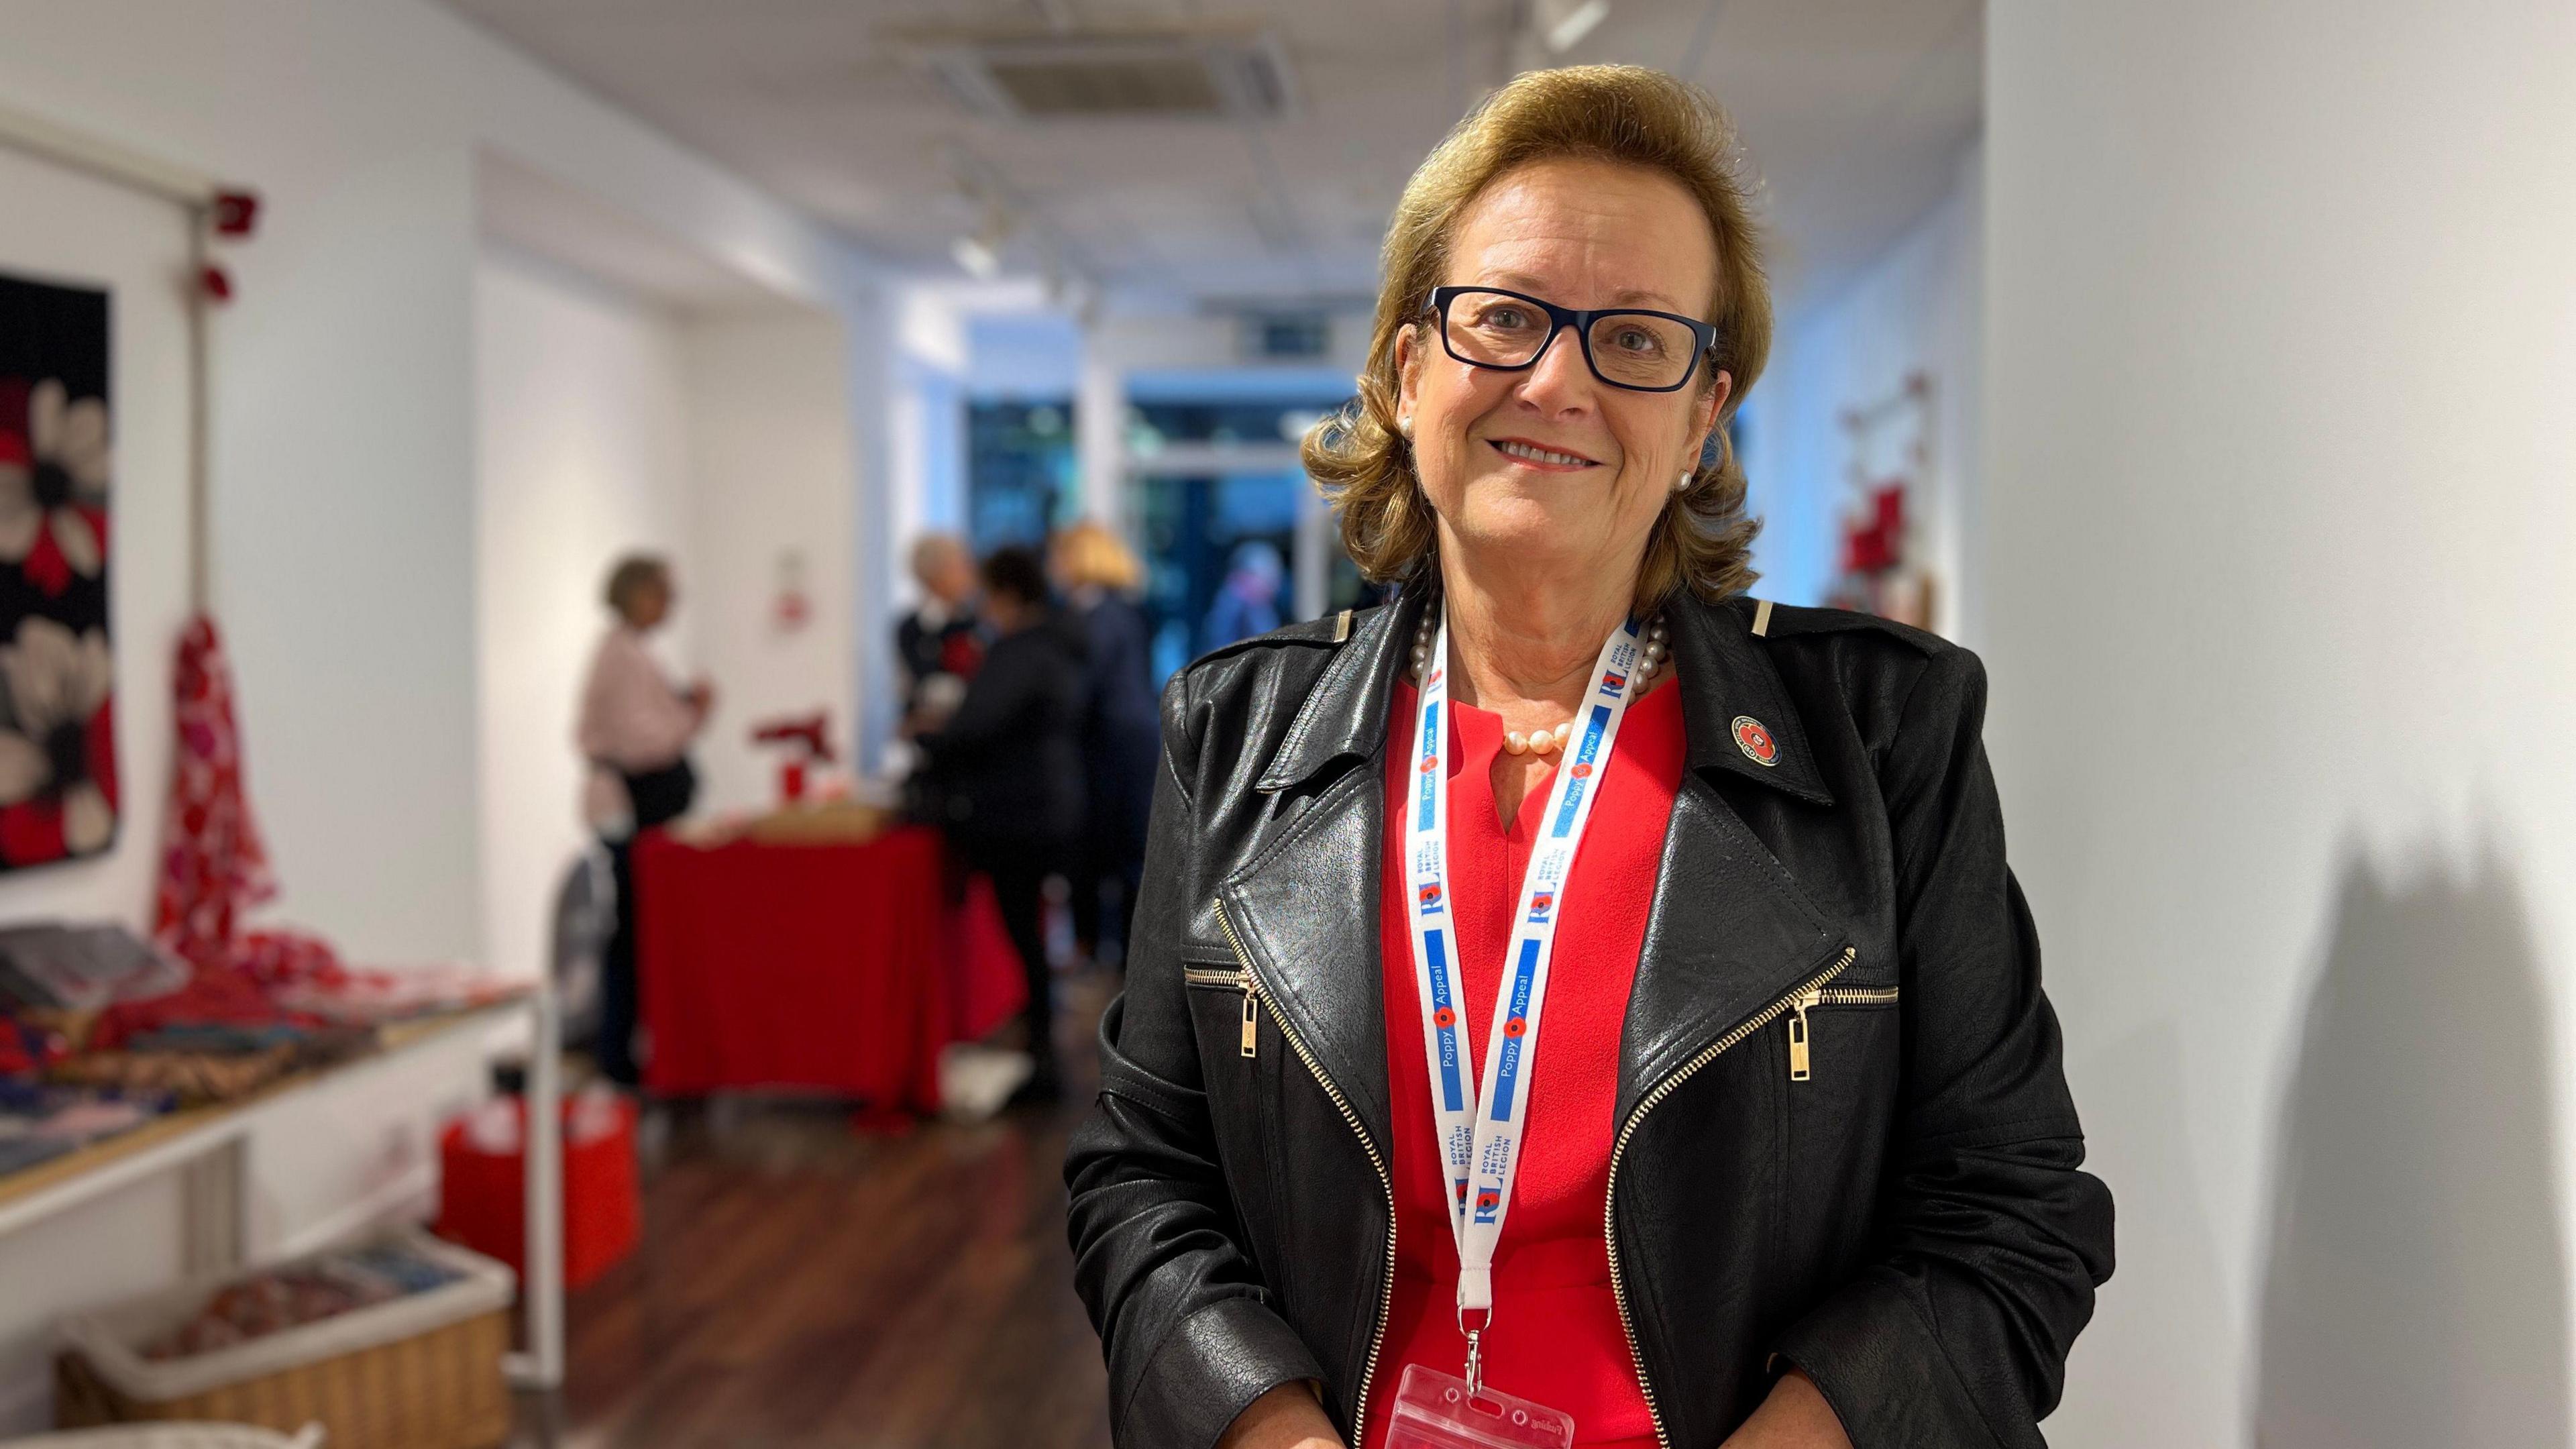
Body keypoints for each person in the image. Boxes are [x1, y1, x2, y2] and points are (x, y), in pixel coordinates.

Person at [1066, 66, 2112, 1449]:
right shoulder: (1236, 736)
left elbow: (2015, 1212)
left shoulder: (1882, 738)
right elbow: (1141, 1180)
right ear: (1407, 369)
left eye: (1632, 339)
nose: (1555, 379)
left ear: (1700, 418)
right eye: (1501, 318)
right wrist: (1265, 1427)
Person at [918, 545, 1088, 1103]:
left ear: (1008, 595)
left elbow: (975, 727)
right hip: (1050, 802)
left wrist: (928, 739)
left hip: (1019, 812)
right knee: (1034, 935)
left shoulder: (1020, 650)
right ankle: (1042, 1048)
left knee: (1026, 937)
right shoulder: (1058, 643)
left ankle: (1041, 1058)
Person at [576, 554, 710, 1087]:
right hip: (630, 809)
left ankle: (630, 1047)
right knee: (630, 933)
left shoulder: (632, 653)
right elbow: (641, 742)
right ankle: (618, 1053)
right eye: (663, 594)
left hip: (642, 806)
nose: (670, 607)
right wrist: (691, 716)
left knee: (638, 931)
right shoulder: (621, 656)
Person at [1051, 520, 1161, 967]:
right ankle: (1126, 964)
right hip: (1131, 746)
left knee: (1109, 857)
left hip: (1111, 751)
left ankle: (1112, 963)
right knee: (1128, 856)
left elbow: (1084, 688)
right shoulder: (1125, 611)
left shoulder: (1095, 617)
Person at [897, 533, 983, 729]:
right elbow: (919, 685)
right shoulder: (914, 628)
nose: (970, 574)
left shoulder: (979, 622)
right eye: (960, 567)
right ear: (934, 575)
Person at [1200, 538, 1285, 653]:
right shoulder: (1234, 603)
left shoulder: (1255, 604)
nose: (1275, 586)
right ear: (1247, 576)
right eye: (1269, 579)